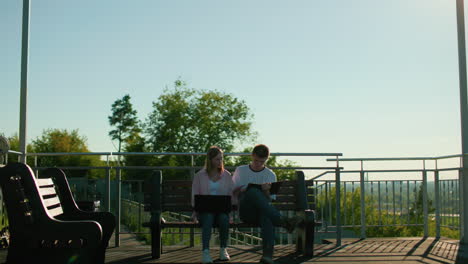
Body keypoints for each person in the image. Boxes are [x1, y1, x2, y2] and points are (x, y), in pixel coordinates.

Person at [232, 144, 301, 264]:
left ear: (266, 159)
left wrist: (265, 191)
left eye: (261, 161)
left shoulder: (270, 175)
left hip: (262, 212)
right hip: (246, 211)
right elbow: (232, 193)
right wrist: (243, 190)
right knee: (252, 190)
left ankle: (267, 256)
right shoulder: (240, 170)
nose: (258, 164)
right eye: (256, 160)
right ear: (252, 156)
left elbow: (269, 202)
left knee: (267, 216)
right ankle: (283, 221)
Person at [192, 146, 233, 264]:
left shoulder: (227, 175)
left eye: (221, 159)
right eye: (217, 159)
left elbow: (230, 196)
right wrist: (195, 212)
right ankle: (205, 252)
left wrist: (231, 212)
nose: (220, 162)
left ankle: (223, 249)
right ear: (210, 160)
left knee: (224, 218)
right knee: (209, 216)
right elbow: (195, 195)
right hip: (204, 211)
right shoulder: (199, 175)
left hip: (221, 211)